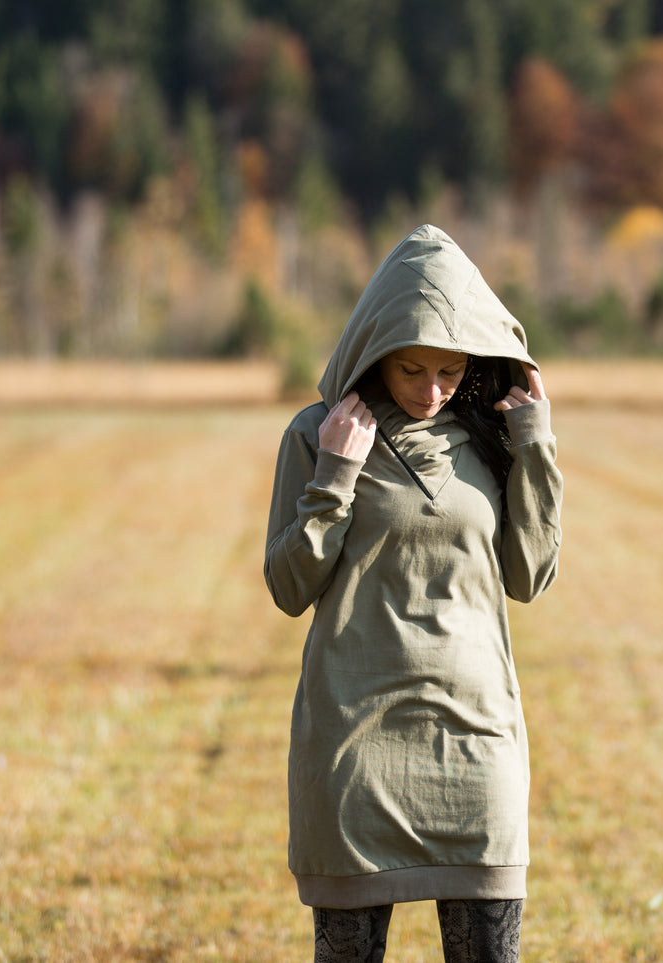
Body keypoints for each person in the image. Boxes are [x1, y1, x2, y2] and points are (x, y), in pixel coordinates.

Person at [264, 224, 563, 962]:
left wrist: (536, 444)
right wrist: (334, 475)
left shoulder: (494, 438)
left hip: (476, 742)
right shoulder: (318, 432)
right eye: (410, 371)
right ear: (373, 355)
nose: (432, 392)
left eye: (450, 371)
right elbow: (288, 584)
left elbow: (530, 574)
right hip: (354, 749)